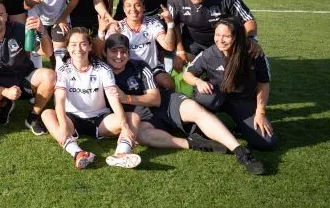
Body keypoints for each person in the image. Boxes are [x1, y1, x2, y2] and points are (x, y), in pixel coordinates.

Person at [103, 33, 265, 174]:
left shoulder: (140, 66)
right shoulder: (101, 72)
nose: (119, 56)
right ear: (105, 52)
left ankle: (240, 151)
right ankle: (195, 144)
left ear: (129, 53)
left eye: (123, 51)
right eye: (114, 51)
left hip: (164, 103)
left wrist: (127, 98)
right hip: (141, 117)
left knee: (194, 108)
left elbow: (156, 98)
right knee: (143, 135)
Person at [40, 27, 141, 169]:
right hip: (72, 120)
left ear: (89, 46)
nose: (78, 49)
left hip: (100, 120)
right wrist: (63, 125)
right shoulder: (63, 70)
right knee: (47, 114)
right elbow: (60, 100)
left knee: (133, 118)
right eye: (73, 44)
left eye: (83, 44)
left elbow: (113, 97)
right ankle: (78, 153)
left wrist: (124, 125)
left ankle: (120, 155)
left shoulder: (103, 69)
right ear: (67, 47)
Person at [183, 19, 278, 152]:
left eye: (226, 36)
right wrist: (198, 82)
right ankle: (198, 127)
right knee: (206, 96)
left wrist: (260, 112)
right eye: (217, 35)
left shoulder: (254, 53)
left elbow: (263, 84)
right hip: (217, 96)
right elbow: (187, 74)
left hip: (242, 99)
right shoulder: (209, 53)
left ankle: (240, 124)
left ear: (237, 36)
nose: (220, 40)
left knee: (267, 142)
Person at [0, 0, 55, 141]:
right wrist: (4, 92)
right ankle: (6, 103)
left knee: (50, 76)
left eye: (0, 15)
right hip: (0, 80)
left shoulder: (19, 29)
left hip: (25, 76)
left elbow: (48, 52)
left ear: (7, 16)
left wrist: (43, 31)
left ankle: (33, 116)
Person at [167, 0, 259, 69]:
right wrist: (180, 51)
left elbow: (247, 19)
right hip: (192, 44)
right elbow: (174, 24)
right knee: (180, 70)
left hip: (224, 43)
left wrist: (251, 39)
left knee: (241, 67)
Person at [98, 0, 176, 90]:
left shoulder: (152, 23)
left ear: (143, 7)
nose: (133, 10)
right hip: (126, 69)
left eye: (137, 5)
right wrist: (101, 32)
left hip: (152, 68)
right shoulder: (117, 27)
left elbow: (168, 46)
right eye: (129, 6)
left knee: (168, 83)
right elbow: (102, 53)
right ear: (123, 8)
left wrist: (170, 23)